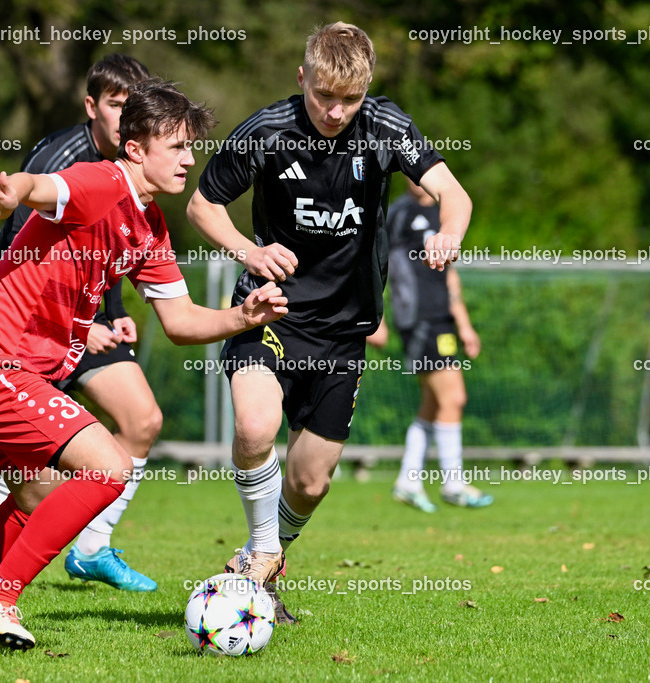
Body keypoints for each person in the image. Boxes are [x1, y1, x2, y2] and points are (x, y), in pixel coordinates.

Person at [0, 80, 288, 651]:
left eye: (192, 146)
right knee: (109, 467)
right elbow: (38, 186)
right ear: (136, 148)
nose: (190, 159)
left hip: (0, 366)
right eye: (177, 147)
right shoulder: (101, 182)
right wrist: (7, 193)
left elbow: (182, 321)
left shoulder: (149, 225)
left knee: (33, 495)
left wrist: (244, 316)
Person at [185, 22, 472, 623]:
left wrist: (448, 233)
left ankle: (262, 560)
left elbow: (454, 193)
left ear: (368, 90)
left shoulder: (387, 126)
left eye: (350, 99)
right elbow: (202, 205)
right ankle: (263, 549)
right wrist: (250, 252)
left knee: (311, 482)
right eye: (323, 96)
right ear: (302, 78)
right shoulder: (267, 131)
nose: (336, 111)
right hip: (270, 311)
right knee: (256, 424)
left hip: (344, 330)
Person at [0, 54, 163, 596]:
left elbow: (105, 249)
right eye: (119, 107)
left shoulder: (131, 173)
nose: (128, 121)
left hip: (83, 323)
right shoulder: (66, 160)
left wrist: (115, 313)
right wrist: (82, 323)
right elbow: (23, 255)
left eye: (136, 109)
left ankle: (92, 548)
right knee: (30, 462)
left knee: (142, 419)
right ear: (91, 106)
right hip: (27, 328)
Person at [367, 178, 491, 512]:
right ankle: (453, 483)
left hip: (442, 319)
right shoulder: (397, 214)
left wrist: (464, 324)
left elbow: (449, 274)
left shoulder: (441, 214)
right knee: (454, 397)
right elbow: (371, 263)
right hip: (418, 321)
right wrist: (374, 318)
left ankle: (408, 480)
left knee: (434, 404)